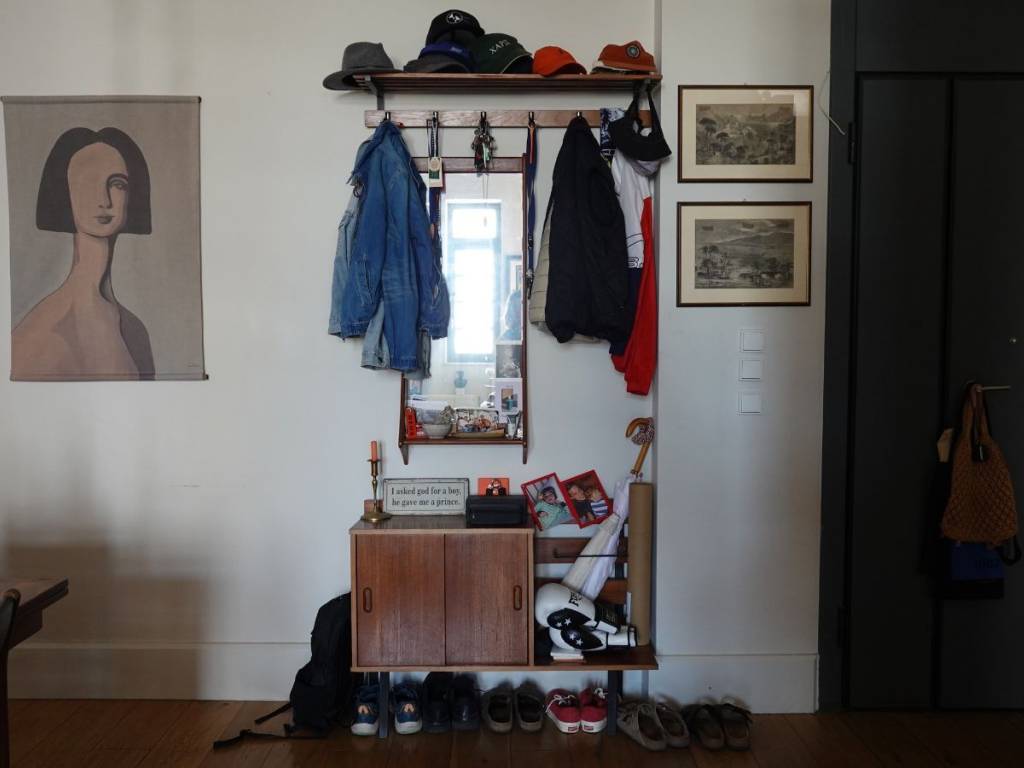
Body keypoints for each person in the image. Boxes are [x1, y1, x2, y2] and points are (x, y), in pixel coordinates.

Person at [12, 127, 154, 379]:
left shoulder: (135, 331)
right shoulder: (44, 334)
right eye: (87, 182)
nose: (104, 200)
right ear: (64, 191)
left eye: (117, 184)